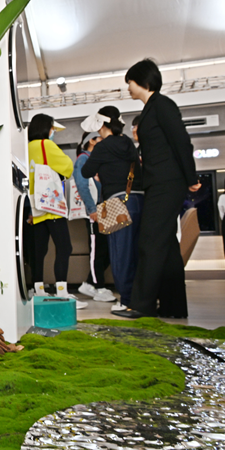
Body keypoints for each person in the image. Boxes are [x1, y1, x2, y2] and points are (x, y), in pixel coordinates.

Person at [125, 59, 200, 319]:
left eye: (130, 82)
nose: (128, 87)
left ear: (143, 81)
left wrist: (191, 177)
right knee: (166, 245)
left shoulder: (162, 105)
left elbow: (181, 141)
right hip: (159, 182)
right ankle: (173, 306)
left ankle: (142, 305)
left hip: (167, 183)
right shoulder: (150, 109)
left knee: (150, 241)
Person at [80, 106, 144, 315]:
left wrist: (101, 169)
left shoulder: (102, 146)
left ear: (101, 125)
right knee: (136, 252)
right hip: (137, 198)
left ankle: (126, 301)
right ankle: (139, 298)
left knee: (119, 253)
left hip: (114, 202)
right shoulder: (128, 142)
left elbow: (86, 171)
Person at [26, 114, 87, 309]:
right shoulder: (46, 145)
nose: (53, 132)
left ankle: (38, 290)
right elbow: (67, 167)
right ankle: (62, 291)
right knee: (64, 247)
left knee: (39, 250)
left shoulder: (26, 147)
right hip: (51, 205)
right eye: (52, 128)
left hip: (35, 205)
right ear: (46, 128)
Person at [73, 131, 116, 303]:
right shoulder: (83, 159)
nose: (104, 141)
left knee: (106, 249)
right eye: (100, 138)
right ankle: (99, 288)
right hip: (96, 210)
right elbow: (82, 185)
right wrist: (92, 209)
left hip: (104, 208)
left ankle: (90, 283)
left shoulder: (96, 159)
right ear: (91, 141)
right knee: (97, 250)